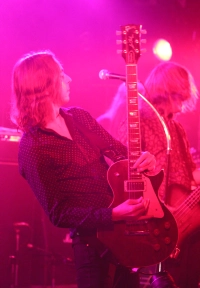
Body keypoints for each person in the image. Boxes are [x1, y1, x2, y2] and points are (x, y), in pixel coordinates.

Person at [10, 50, 156, 288]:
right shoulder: (32, 146)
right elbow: (59, 213)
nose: (69, 80)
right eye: (62, 74)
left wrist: (143, 160)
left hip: (125, 234)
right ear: (45, 86)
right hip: (91, 245)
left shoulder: (79, 117)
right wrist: (113, 214)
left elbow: (120, 154)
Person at [98, 61, 200, 288]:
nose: (185, 101)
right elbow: (123, 167)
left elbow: (189, 174)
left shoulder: (177, 127)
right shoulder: (139, 119)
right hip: (153, 220)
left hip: (181, 222)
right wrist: (156, 205)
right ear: (172, 90)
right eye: (182, 95)